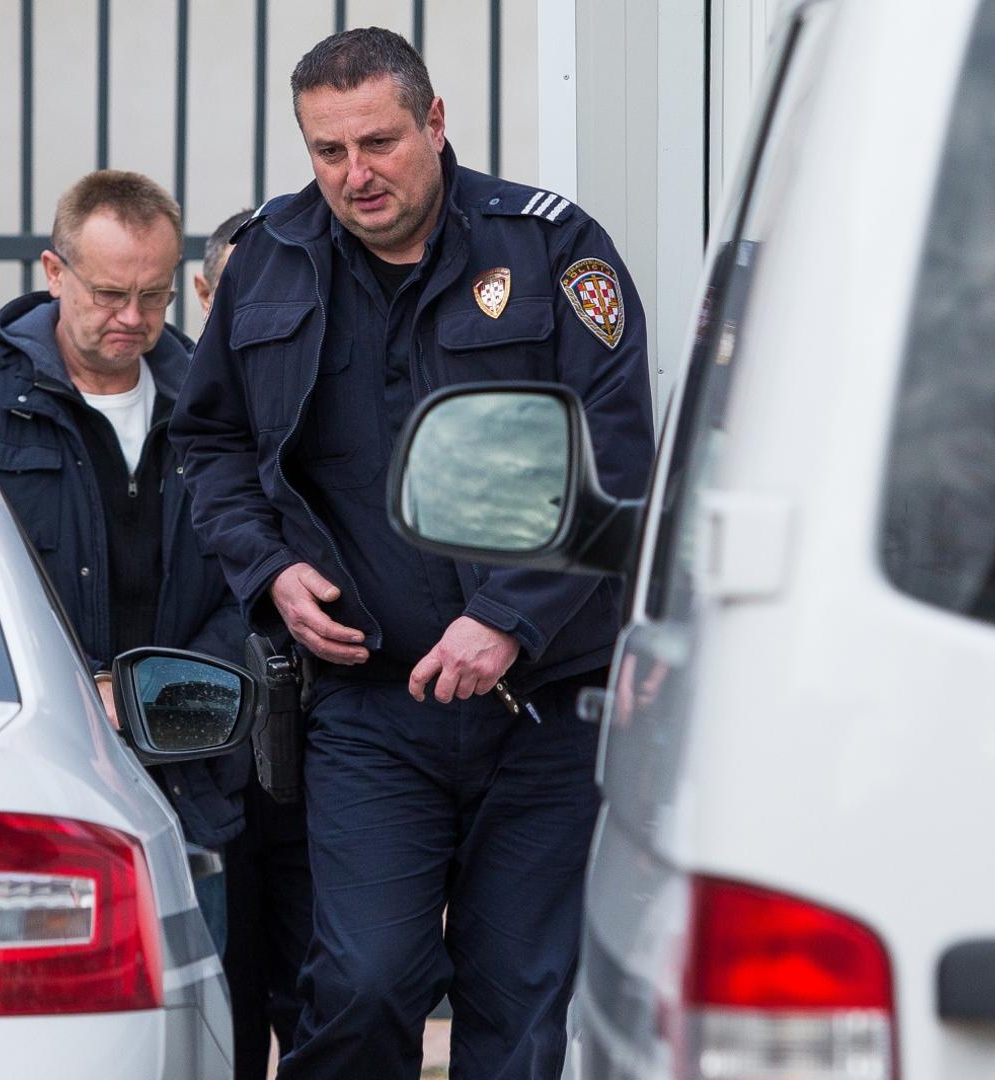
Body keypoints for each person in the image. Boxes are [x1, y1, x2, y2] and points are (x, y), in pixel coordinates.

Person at [171, 28, 655, 1080]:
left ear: (434, 123)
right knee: (364, 983)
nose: (356, 173)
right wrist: (267, 569)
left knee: (519, 1006)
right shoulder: (271, 260)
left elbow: (616, 461)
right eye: (328, 150)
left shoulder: (551, 249)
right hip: (369, 708)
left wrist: (509, 618)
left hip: (540, 707)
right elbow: (209, 442)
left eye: (379, 142)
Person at [0, 170, 250, 952]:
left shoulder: (217, 405)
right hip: (32, 767)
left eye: (153, 296)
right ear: (54, 272)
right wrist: (80, 690)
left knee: (196, 1003)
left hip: (189, 775)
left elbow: (251, 579)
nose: (132, 318)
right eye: (108, 294)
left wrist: (158, 693)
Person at [195, 207, 316, 1080]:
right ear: (210, 295)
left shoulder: (324, 395)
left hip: (316, 745)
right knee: (223, 1007)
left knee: (326, 993)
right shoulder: (183, 409)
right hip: (206, 749)